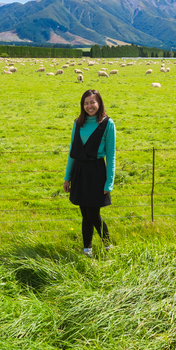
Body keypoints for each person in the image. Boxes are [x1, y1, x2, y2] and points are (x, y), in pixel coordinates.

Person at [63, 89, 116, 257]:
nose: (89, 106)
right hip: (79, 172)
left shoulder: (108, 124)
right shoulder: (78, 123)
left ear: (99, 103)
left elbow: (111, 154)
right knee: (84, 213)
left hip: (96, 172)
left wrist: (109, 182)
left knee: (93, 213)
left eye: (92, 102)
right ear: (82, 105)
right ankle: (87, 249)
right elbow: (73, 150)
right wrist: (67, 177)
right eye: (86, 103)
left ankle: (107, 245)